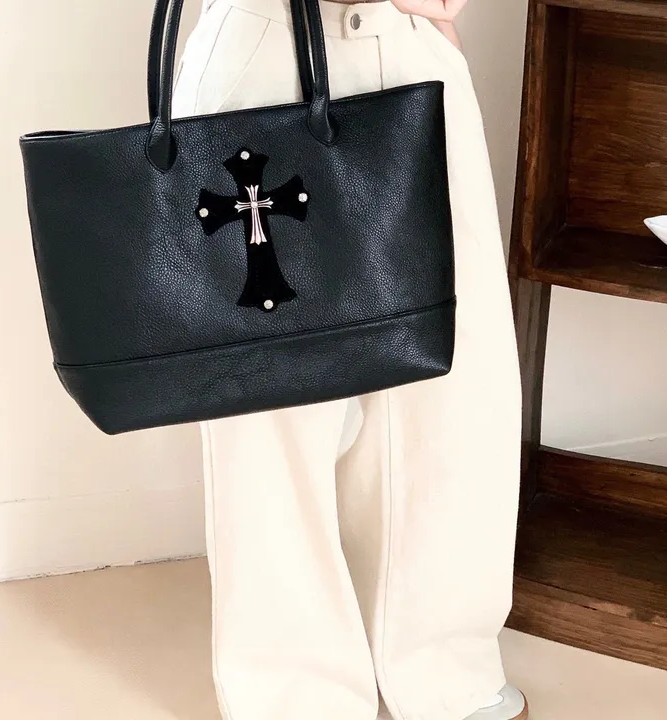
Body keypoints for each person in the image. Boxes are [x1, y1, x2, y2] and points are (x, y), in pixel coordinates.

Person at [172, 0, 526, 718]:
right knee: (271, 413)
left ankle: (440, 663)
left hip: (411, 44)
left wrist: (436, 32)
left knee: (452, 388)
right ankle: (294, 693)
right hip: (266, 52)